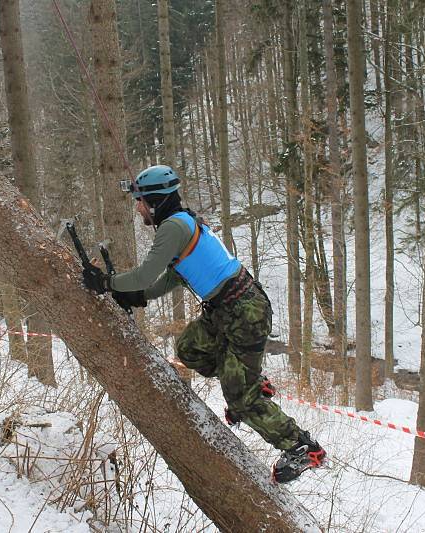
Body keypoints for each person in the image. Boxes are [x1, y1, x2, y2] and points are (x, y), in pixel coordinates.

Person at [81, 164, 326, 483]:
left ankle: (302, 448)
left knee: (240, 400)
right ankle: (247, 376)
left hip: (244, 312)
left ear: (154, 201)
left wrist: (108, 283)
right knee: (189, 349)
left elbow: (145, 274)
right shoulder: (181, 222)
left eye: (140, 201)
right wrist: (138, 296)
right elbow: (172, 276)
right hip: (225, 310)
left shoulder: (173, 227)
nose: (137, 207)